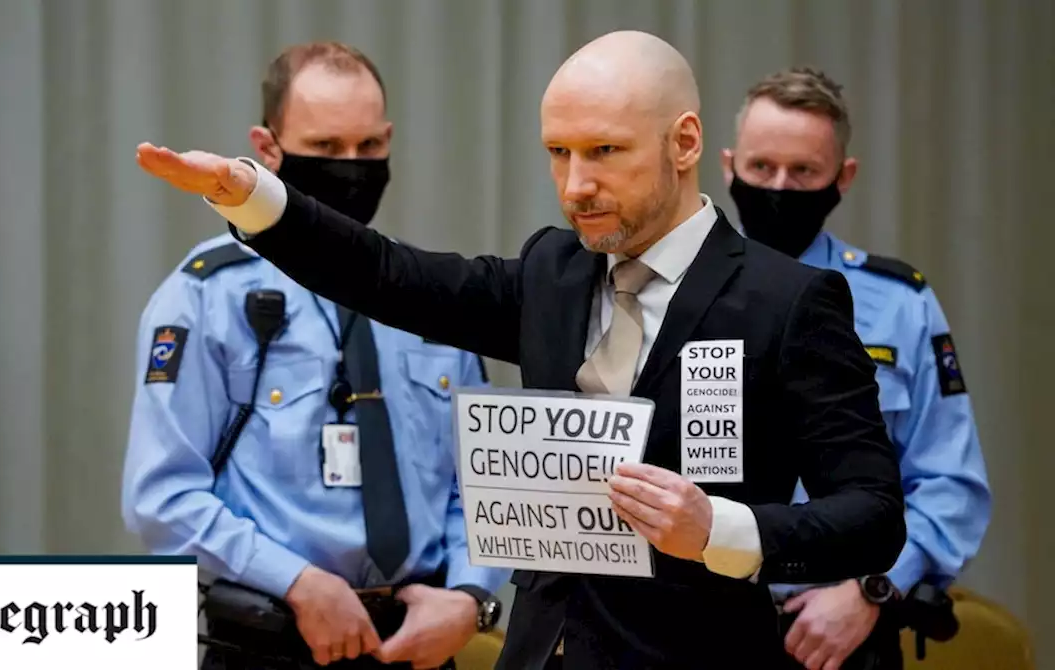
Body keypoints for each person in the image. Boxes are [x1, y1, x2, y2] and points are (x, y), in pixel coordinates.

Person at [134, 30, 907, 669]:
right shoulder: (553, 271)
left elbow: (872, 516)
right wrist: (253, 199)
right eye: (558, 152)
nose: (575, 185)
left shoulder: (787, 301)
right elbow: (388, 275)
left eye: (604, 151)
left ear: (685, 142)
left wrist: (723, 532)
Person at [121, 41, 508, 670]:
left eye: (368, 148)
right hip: (270, 639)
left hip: (424, 642)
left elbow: (482, 482)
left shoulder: (428, 293)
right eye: (325, 149)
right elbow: (162, 499)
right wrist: (300, 583)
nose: (350, 167)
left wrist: (469, 595)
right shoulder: (204, 297)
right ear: (267, 147)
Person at [721, 66, 992, 670]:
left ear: (843, 178)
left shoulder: (899, 304)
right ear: (728, 165)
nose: (779, 187)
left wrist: (873, 589)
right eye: (761, 167)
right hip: (690, 627)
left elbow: (950, 482)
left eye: (804, 172)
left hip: (841, 635)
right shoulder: (675, 290)